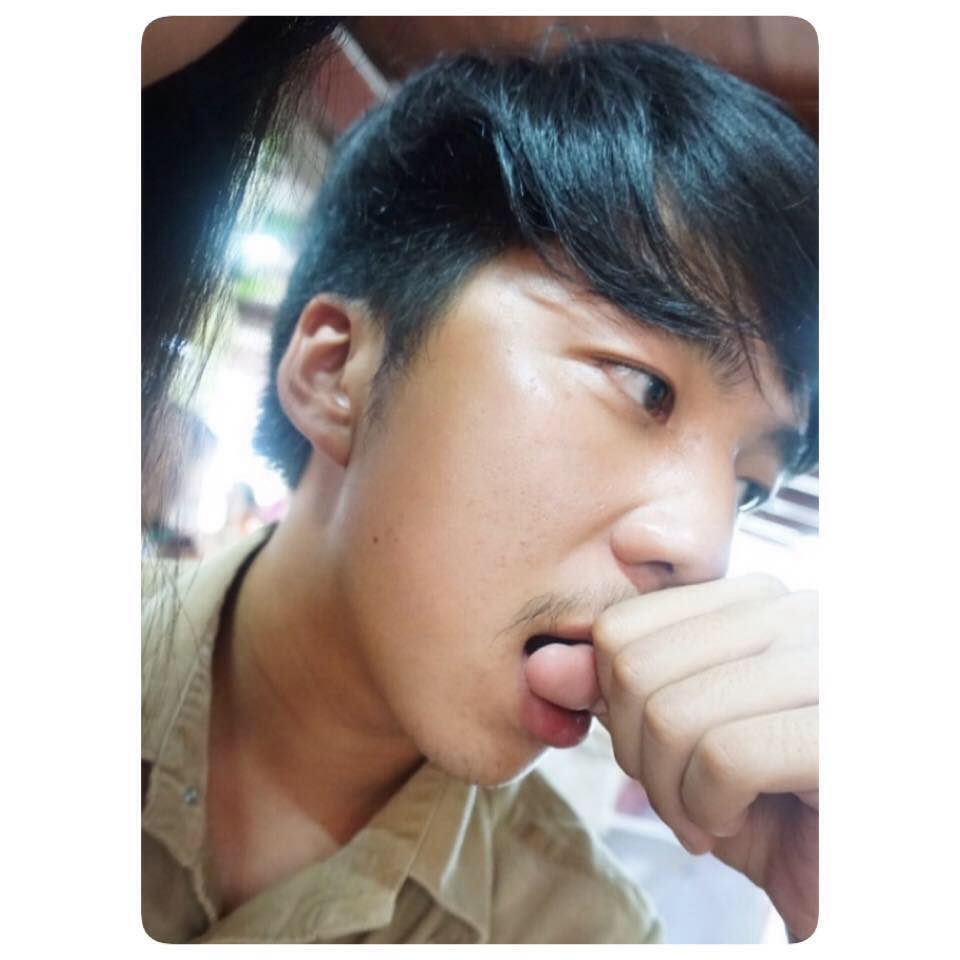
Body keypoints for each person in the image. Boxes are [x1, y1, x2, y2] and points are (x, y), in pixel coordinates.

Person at [142, 38, 818, 943]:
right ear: (337, 372)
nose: (702, 548)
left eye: (749, 486)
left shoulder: (584, 933)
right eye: (644, 386)